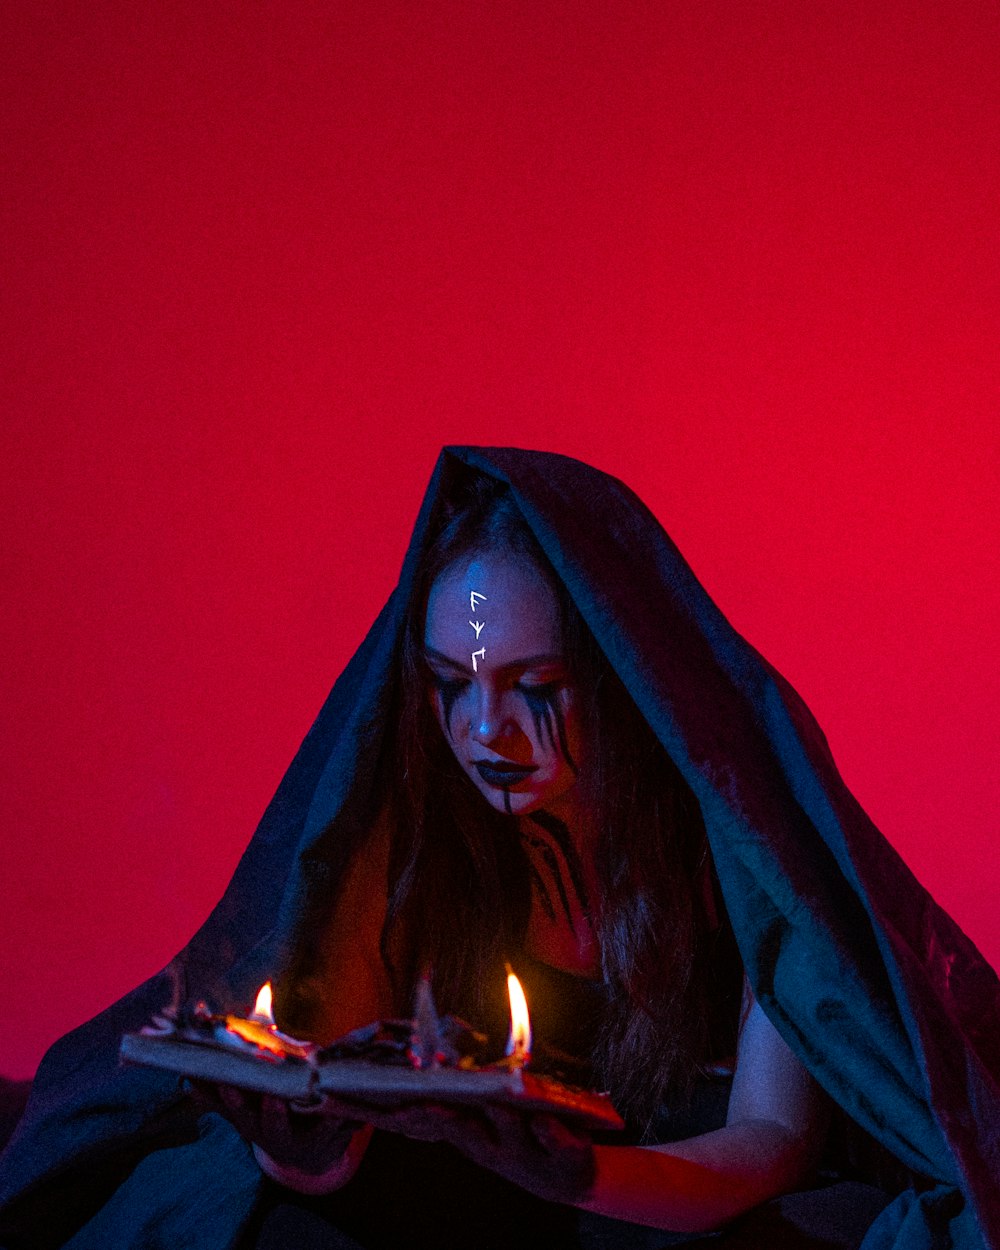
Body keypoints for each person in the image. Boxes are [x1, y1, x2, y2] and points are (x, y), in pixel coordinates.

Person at [0, 447, 996, 1250]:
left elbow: (771, 1139)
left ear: (618, 673)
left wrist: (579, 1171)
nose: (487, 729)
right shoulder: (415, 842)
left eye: (534, 684)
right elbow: (339, 1111)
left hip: (676, 1204)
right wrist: (302, 1154)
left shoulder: (732, 852)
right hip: (480, 1210)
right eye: (449, 683)